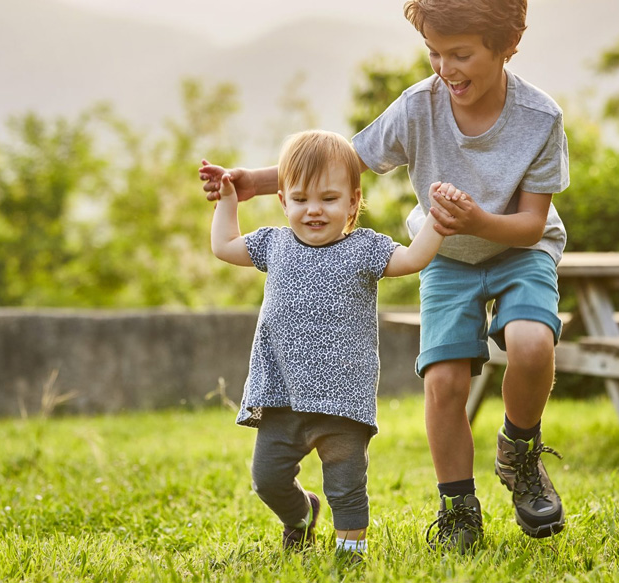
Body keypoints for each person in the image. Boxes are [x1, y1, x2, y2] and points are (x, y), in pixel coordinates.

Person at [200, 0, 569, 552]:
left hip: (519, 248)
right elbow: (347, 161)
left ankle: (519, 451)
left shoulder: (540, 118)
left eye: (461, 54)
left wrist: (475, 220)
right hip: (444, 256)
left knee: (532, 344)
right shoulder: (418, 106)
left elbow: (530, 224)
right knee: (444, 381)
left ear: (507, 46)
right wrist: (251, 180)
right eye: (434, 53)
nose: (445, 69)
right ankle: (459, 507)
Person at [210, 129, 450, 559]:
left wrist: (436, 220)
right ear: (283, 201)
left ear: (354, 202)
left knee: (346, 484)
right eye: (300, 199)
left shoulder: (365, 249)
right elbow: (224, 246)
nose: (313, 210)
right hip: (281, 395)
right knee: (267, 478)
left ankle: (350, 556)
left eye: (329, 198)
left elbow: (413, 259)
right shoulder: (274, 243)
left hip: (343, 401)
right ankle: (301, 516)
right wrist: (228, 200)